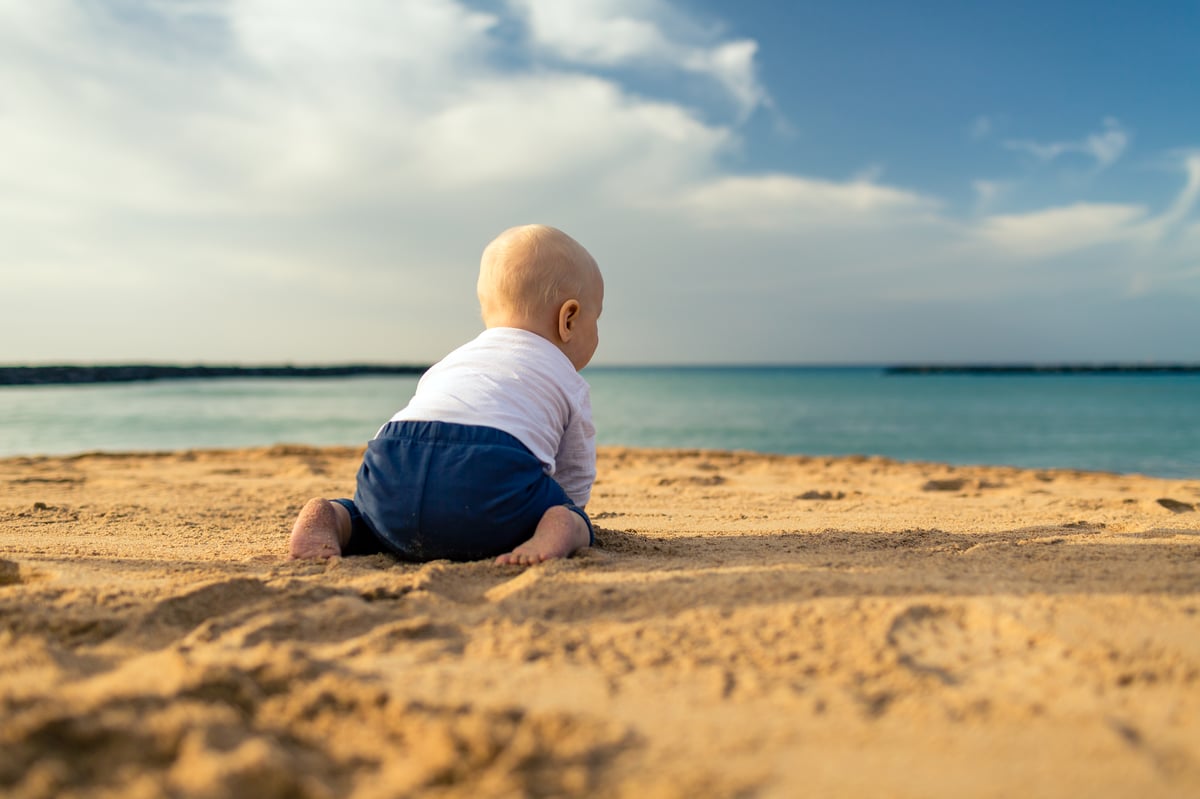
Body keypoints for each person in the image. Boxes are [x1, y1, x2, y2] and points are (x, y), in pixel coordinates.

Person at [288, 224, 602, 566]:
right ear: (568, 318)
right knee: (570, 518)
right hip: (488, 471)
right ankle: (558, 529)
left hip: (390, 461)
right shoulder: (564, 374)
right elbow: (575, 471)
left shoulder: (455, 360)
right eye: (596, 318)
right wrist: (566, 510)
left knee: (370, 519)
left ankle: (334, 516)